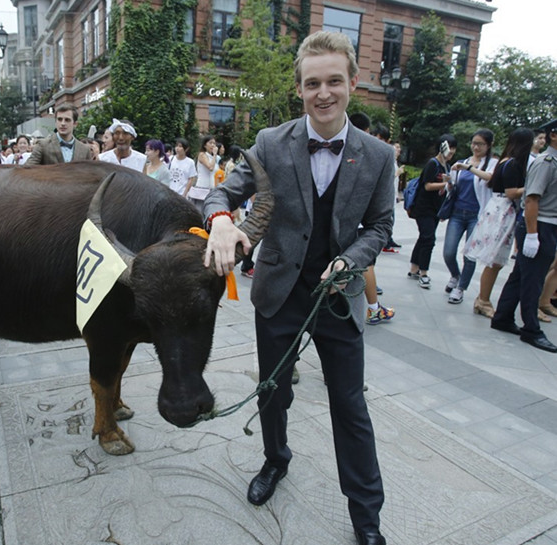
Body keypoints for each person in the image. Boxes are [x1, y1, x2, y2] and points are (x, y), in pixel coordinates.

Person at [202, 31, 391, 545]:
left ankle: (366, 517)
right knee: (273, 391)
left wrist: (350, 261)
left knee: (350, 406)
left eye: (333, 81)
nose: (323, 93)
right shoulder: (271, 142)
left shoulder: (378, 155)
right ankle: (275, 459)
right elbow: (222, 192)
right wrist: (221, 220)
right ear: (299, 88)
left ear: (353, 83)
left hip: (339, 298)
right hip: (279, 293)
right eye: (312, 84)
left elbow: (380, 226)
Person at [491, 120, 557, 352]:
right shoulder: (546, 163)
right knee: (533, 280)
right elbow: (531, 199)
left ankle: (503, 317)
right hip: (540, 225)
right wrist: (532, 235)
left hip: (547, 225)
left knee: (521, 275)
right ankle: (531, 329)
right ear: (553, 135)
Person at [464, 129, 534, 317]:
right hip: (503, 211)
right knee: (495, 260)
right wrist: (532, 187)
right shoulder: (513, 164)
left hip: (497, 208)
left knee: (495, 260)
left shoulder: (504, 161)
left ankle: (482, 299)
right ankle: (483, 300)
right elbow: (511, 192)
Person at [441, 129, 496, 304]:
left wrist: (469, 168)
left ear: (489, 145)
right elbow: (453, 187)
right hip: (458, 213)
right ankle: (455, 275)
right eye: (474, 143)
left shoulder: (492, 163)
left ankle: (460, 288)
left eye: (480, 144)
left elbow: (489, 178)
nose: (476, 147)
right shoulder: (462, 162)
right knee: (448, 252)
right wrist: (449, 183)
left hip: (477, 215)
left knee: (470, 255)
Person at [407, 134, 457, 289]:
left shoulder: (446, 166)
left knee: (424, 237)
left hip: (436, 208)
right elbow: (427, 186)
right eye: (449, 149)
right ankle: (424, 273)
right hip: (424, 207)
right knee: (429, 239)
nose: (451, 152)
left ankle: (414, 269)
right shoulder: (433, 164)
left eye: (453, 149)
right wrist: (446, 184)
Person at [26, 106, 93, 165]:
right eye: (59, 119)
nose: (63, 123)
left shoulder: (84, 149)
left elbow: (89, 173)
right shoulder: (43, 145)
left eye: (67, 120)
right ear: (56, 122)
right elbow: (27, 169)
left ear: (75, 124)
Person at [185, 135, 218, 210]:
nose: (213, 145)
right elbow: (210, 167)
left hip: (211, 187)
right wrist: (215, 155)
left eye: (214, 143)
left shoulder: (212, 157)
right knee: (200, 209)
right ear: (205, 145)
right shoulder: (202, 154)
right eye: (210, 143)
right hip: (202, 187)